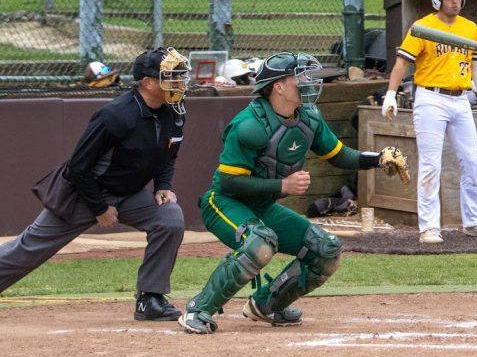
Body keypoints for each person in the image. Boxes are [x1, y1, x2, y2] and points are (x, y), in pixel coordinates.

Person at [180, 52, 409, 334]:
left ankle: (265, 305)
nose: (309, 82)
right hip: (225, 203)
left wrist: (378, 158)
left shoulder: (309, 117)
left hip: (263, 206)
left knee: (326, 249)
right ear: (277, 86)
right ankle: (198, 309)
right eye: (299, 78)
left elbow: (339, 155)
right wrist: (282, 187)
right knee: (259, 244)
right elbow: (228, 183)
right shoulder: (249, 125)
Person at [0, 48, 190, 320]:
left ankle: (150, 299)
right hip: (84, 193)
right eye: (171, 77)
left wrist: (163, 185)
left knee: (169, 219)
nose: (179, 83)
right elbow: (79, 167)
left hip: (129, 194)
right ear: (148, 83)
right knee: (28, 249)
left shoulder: (175, 111)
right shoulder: (115, 115)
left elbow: (169, 154)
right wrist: (100, 208)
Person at [381, 0, 477, 244]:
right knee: (430, 165)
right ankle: (429, 227)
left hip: (461, 98)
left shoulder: (470, 28)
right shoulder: (422, 26)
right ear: (437, 0)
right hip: (430, 98)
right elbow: (402, 63)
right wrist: (390, 94)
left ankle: (473, 221)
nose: (455, 1)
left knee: (473, 162)